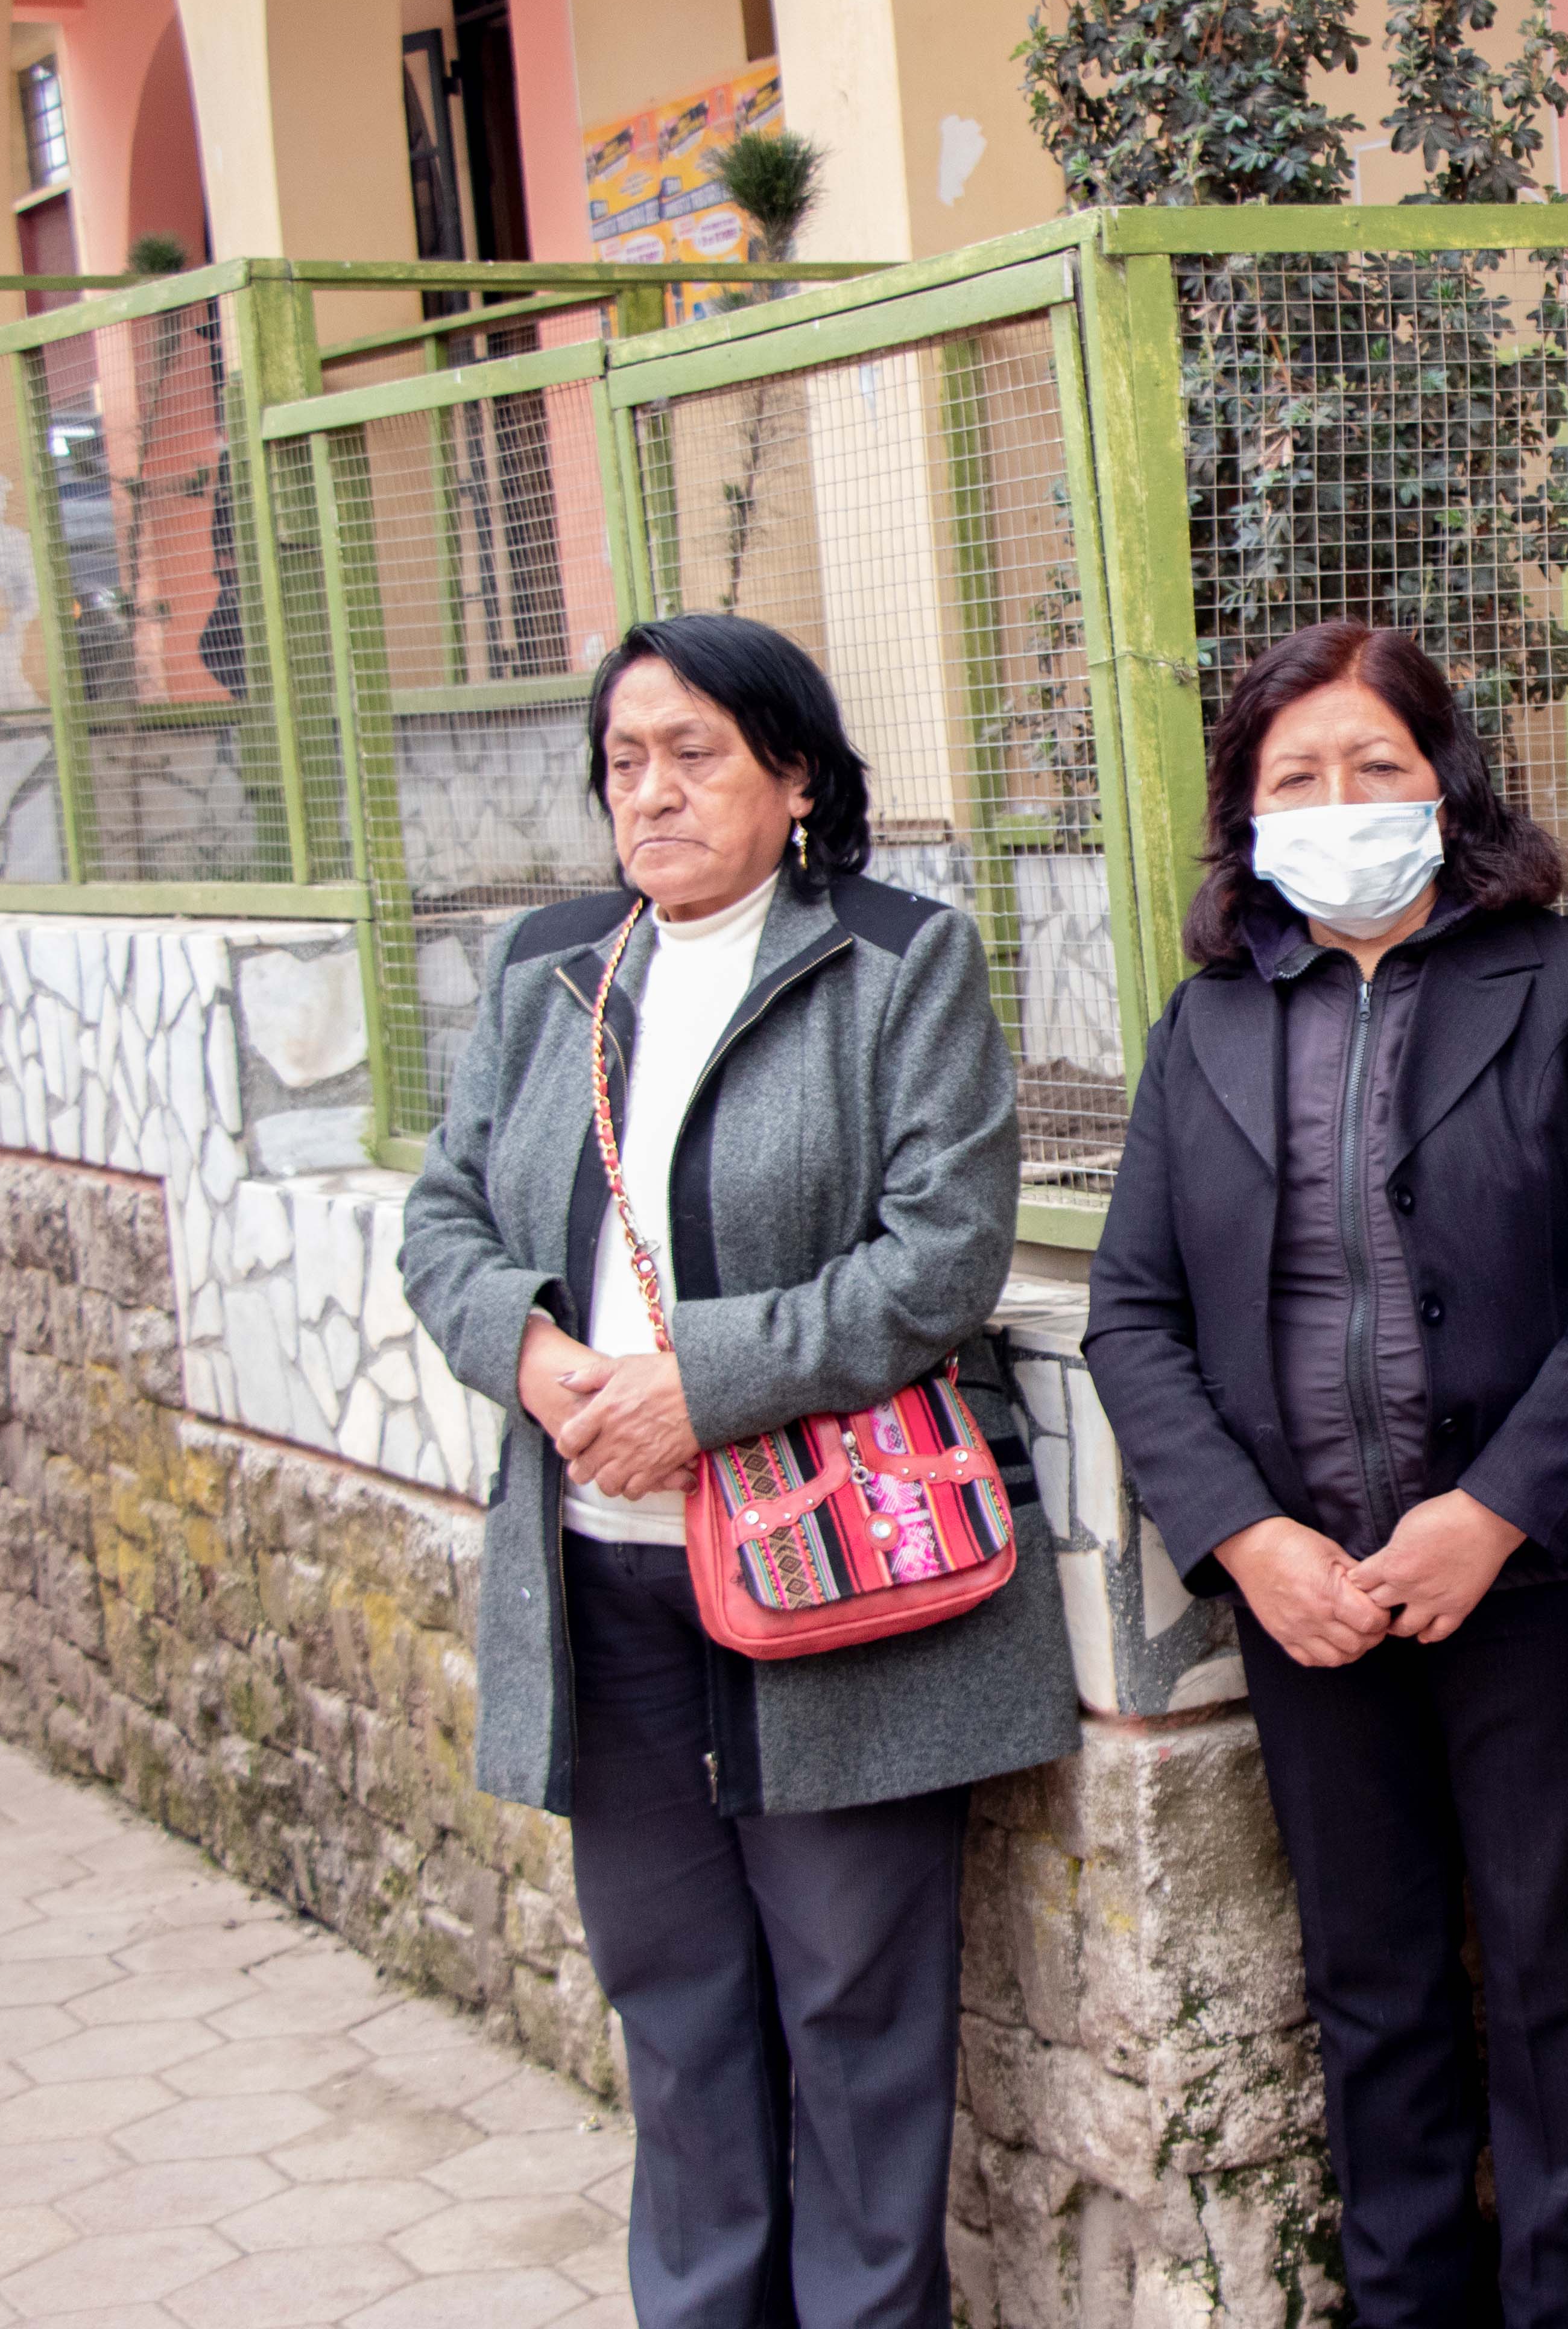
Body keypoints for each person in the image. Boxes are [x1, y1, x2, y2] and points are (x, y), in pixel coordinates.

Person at [400, 610, 1076, 2327]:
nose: (654, 791)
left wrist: (700, 1390)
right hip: (601, 1568)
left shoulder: (895, 963)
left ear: (796, 778)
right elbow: (444, 1221)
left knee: (857, 2008)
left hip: (833, 1577)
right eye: (625, 760)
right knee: (675, 2001)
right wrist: (548, 1365)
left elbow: (943, 1257)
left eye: (695, 752)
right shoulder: (551, 968)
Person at [1081, 619, 1568, 2329]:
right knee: (1370, 1988)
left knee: (1560, 1965)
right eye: (1299, 778)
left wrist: (1491, 1511)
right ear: (1248, 812)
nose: (1340, 803)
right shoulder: (1206, 1021)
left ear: (1448, 785)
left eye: (1379, 767)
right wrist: (1249, 1539)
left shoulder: (1567, 979)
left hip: (1535, 1578)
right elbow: (1132, 1315)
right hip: (1309, 1595)